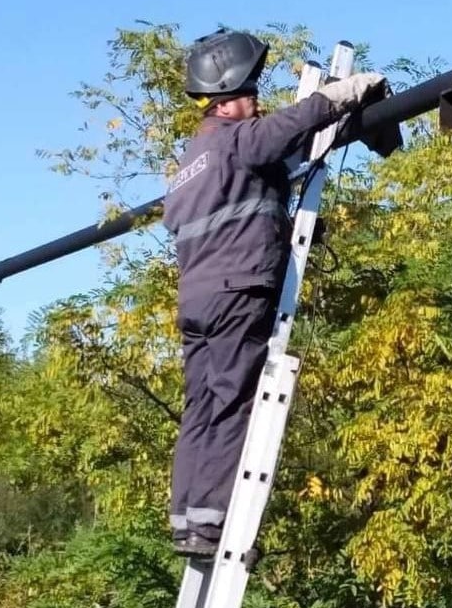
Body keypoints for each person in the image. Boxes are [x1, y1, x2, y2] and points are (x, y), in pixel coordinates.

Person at [163, 29, 386, 557]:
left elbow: (235, 214)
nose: (257, 100)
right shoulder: (236, 141)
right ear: (224, 102)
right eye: (251, 93)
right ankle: (215, 524)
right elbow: (280, 131)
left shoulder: (188, 169)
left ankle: (187, 521)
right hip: (238, 292)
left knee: (201, 407)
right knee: (233, 402)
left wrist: (290, 225)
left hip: (197, 301)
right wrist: (340, 96)